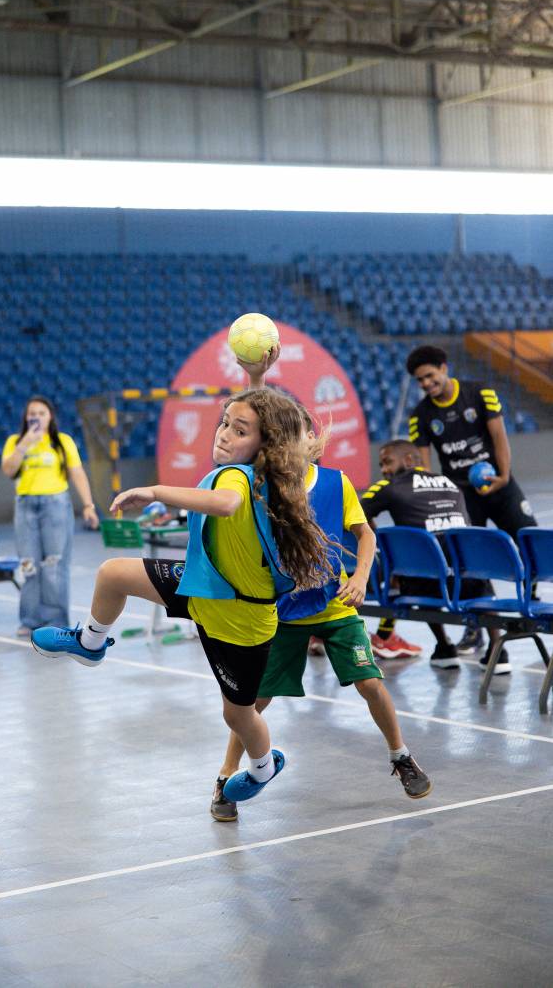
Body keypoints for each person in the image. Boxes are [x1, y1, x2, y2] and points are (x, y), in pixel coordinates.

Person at [31, 383, 335, 812]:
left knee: (238, 716)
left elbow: (225, 504)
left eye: (240, 430)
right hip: (202, 586)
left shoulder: (240, 478)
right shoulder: (262, 474)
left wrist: (155, 491)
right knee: (113, 574)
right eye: (225, 423)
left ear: (264, 445)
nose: (225, 434)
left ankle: (264, 766)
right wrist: (255, 375)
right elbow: (258, 417)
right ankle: (90, 643)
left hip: (239, 620)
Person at [212, 391, 431, 822]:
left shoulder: (335, 482)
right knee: (254, 702)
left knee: (370, 683)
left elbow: (365, 535)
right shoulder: (262, 486)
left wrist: (362, 577)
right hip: (282, 612)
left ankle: (401, 756)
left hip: (334, 605)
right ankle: (225, 777)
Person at [406, 344, 538, 654]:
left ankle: (532, 598)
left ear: (444, 367)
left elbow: (499, 437)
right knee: (471, 565)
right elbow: (425, 467)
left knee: (528, 539)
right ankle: (476, 630)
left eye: (429, 375)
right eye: (419, 380)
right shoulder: (421, 415)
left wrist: (503, 476)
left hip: (500, 485)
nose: (425, 383)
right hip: (462, 496)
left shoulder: (480, 394)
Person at [362, 439, 507, 672]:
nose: (385, 470)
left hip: (425, 586)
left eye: (387, 462)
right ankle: (498, 650)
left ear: (409, 460)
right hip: (467, 581)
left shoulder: (389, 486)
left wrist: (383, 543)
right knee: (475, 570)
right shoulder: (450, 483)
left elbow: (355, 512)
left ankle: (444, 646)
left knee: (416, 569)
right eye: (381, 465)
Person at [1, 395, 100, 638]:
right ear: (26, 417)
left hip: (55, 506)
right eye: (31, 413)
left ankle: (56, 619)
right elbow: (8, 469)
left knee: (54, 564)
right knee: (29, 565)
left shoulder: (62, 441)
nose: (36, 417)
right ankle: (30, 619)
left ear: (50, 417)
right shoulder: (15, 441)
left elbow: (77, 473)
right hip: (25, 507)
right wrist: (25, 443)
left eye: (41, 413)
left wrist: (88, 505)